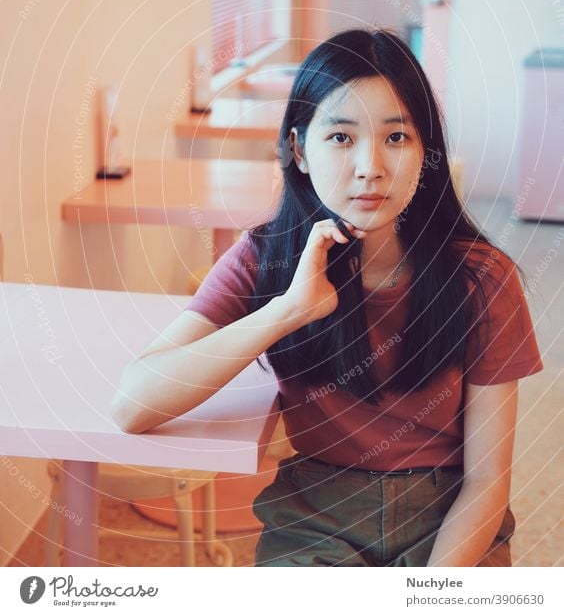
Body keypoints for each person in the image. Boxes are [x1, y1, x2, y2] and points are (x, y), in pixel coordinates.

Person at [111, 28, 543, 567]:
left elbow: (485, 482)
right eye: (341, 137)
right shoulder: (262, 257)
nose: (370, 167)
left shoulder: (481, 278)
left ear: (426, 151)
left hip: (449, 514)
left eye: (397, 137)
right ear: (299, 150)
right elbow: (133, 405)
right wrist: (288, 309)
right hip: (315, 515)